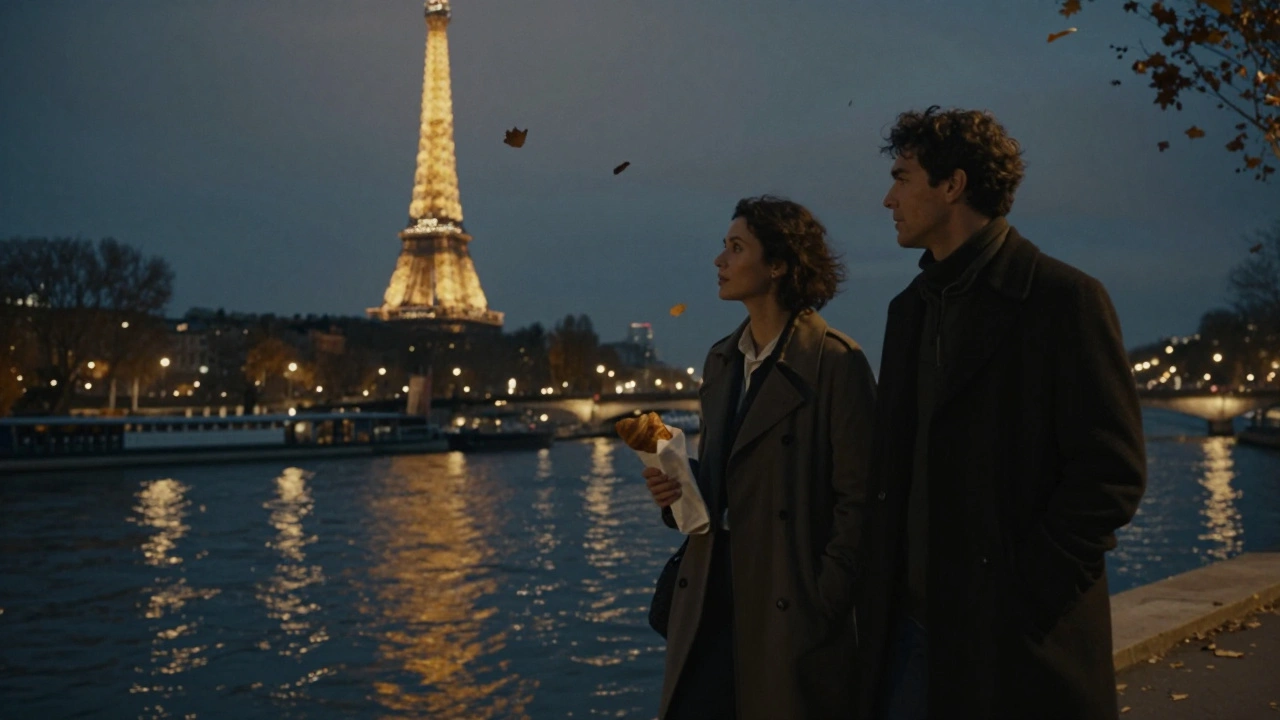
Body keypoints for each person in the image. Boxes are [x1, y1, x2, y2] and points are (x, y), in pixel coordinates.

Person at [855, 106, 1147, 720]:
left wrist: (1026, 596)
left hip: (1013, 640)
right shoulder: (907, 311)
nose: (888, 198)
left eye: (902, 177)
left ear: (952, 185)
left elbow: (1110, 472)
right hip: (910, 635)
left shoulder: (1064, 300)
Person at [642, 195, 876, 720]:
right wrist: (676, 492)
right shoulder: (723, 360)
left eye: (736, 247)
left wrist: (821, 604)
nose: (719, 260)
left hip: (785, 606)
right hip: (715, 594)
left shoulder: (837, 363)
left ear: (778, 265)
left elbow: (860, 503)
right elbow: (729, 487)